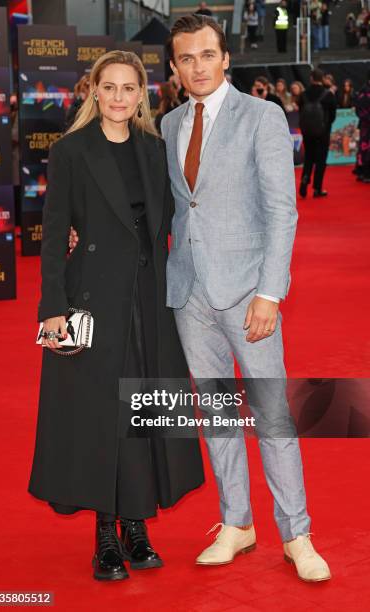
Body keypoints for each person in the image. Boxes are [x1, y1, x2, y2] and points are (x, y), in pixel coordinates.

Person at [161, 14, 331, 582]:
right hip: (190, 294)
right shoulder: (169, 125)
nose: (198, 67)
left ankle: (297, 533)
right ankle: (236, 522)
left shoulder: (262, 117)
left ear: (226, 57)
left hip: (247, 293)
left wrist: (270, 293)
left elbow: (283, 211)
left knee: (272, 414)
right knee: (216, 414)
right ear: (175, 67)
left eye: (207, 54)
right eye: (186, 59)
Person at [28, 50, 204, 582]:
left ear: (142, 95)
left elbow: (178, 216)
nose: (120, 98)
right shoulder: (71, 152)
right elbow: (56, 232)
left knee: (144, 408)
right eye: (110, 87)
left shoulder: (156, 150)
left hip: (148, 298)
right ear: (94, 92)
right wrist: (52, 309)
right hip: (93, 297)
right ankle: (106, 532)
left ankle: (137, 524)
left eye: (130, 88)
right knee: (101, 413)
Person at [298, 68, 337, 198]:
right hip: (323, 132)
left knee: (309, 157)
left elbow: (300, 111)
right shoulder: (328, 95)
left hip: (307, 131)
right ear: (323, 79)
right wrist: (325, 126)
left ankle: (305, 179)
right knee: (321, 160)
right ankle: (317, 188)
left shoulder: (303, 94)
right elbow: (333, 115)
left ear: (311, 78)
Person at [354, 70, 370, 183]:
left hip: (365, 124)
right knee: (365, 149)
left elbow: (358, 110)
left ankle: (362, 172)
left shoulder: (362, 91)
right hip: (366, 125)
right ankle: (365, 173)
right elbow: (359, 109)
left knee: (364, 149)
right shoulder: (364, 92)